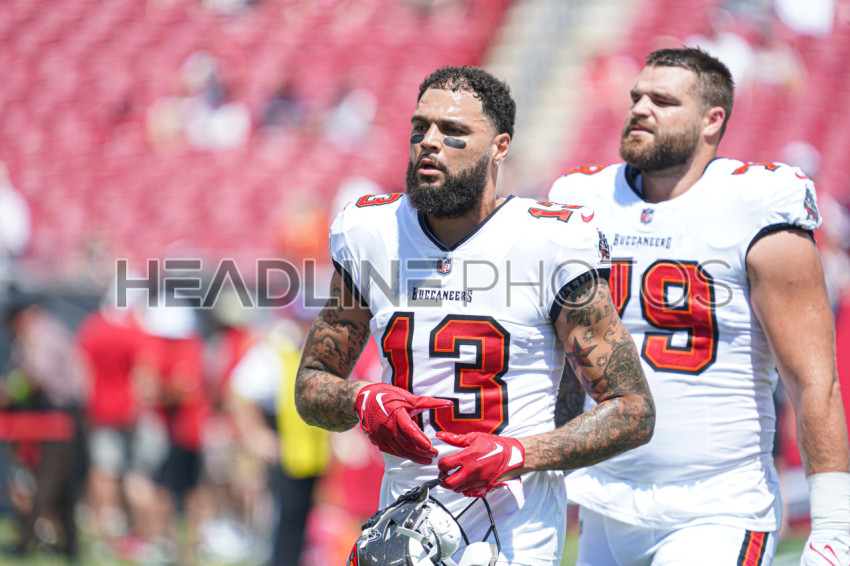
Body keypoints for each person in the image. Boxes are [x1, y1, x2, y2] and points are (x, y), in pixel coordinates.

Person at [295, 65, 655, 566]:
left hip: (513, 534)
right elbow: (311, 385)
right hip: (404, 522)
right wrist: (359, 399)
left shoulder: (549, 241)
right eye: (420, 126)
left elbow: (632, 410)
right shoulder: (371, 233)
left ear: (499, 148)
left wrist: (518, 453)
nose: (429, 142)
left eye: (453, 130)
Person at [548, 47, 850, 565]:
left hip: (716, 508)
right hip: (605, 501)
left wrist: (835, 527)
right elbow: (561, 362)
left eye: (663, 101)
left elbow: (813, 381)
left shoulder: (756, 203)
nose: (640, 109)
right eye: (637, 97)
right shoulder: (583, 198)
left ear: (712, 120)